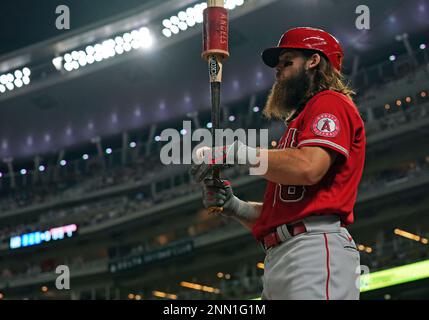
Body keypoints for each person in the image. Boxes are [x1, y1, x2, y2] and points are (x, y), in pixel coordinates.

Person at [191, 27, 366, 300]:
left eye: (287, 62)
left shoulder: (330, 101)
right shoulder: (297, 124)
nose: (278, 70)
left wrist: (238, 152)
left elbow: (309, 168)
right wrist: (234, 206)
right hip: (282, 255)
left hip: (315, 250)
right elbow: (281, 216)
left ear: (313, 61)